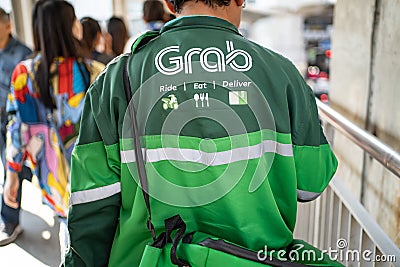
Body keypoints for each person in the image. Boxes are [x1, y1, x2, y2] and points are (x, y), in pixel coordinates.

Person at [66, 0, 339, 266]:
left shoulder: (115, 79)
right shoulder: (283, 74)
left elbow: (92, 203)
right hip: (257, 257)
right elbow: (310, 184)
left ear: (170, 4)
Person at [1, 0, 104, 251]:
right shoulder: (96, 73)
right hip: (97, 185)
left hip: (53, 186)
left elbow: (17, 130)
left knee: (69, 243)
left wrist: (12, 177)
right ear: (73, 27)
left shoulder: (24, 74)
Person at [0, 7, 32, 246]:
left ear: (8, 25)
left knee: (10, 168)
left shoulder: (23, 54)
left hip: (14, 122)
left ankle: (10, 222)